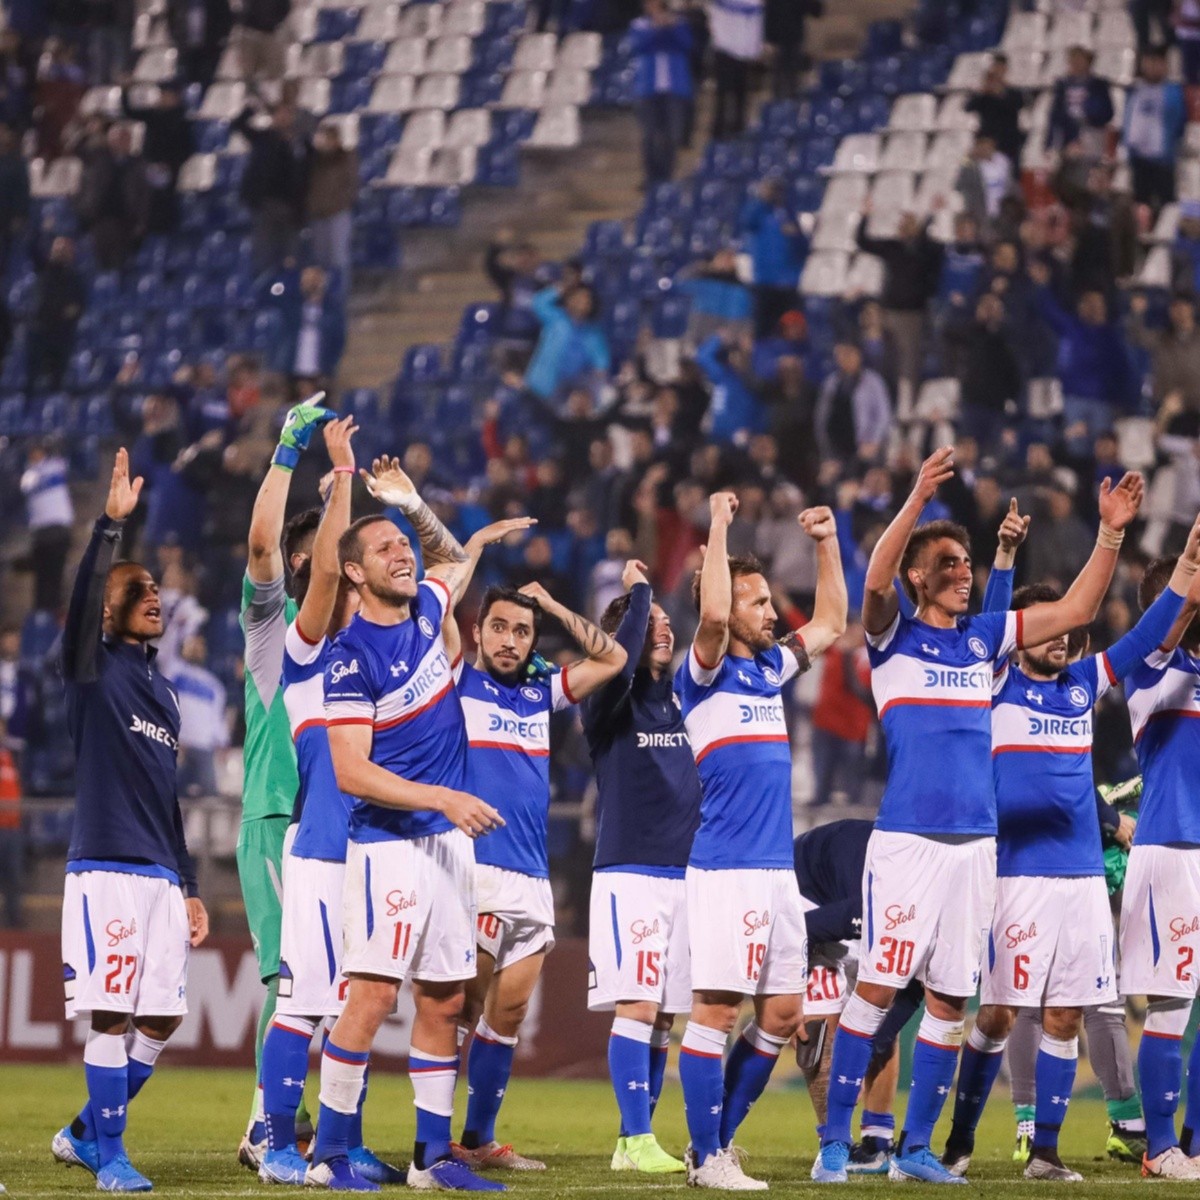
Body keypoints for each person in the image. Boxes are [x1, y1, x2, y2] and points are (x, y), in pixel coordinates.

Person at [811, 447, 1144, 1185]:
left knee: (947, 1001)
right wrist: (917, 497)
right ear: (920, 577)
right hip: (906, 846)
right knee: (874, 991)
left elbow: (1079, 611)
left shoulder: (982, 642)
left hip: (975, 852)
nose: (964, 571)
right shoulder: (891, 635)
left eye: (968, 562)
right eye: (950, 563)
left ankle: (918, 1149)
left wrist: (1111, 533)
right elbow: (872, 580)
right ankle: (835, 1141)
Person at [943, 523, 1200, 1181]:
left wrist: (1180, 579)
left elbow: (1143, 640)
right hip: (1017, 874)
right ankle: (957, 1140)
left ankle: (1046, 1154)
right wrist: (1002, 557)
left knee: (1065, 1013)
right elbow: (995, 623)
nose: (1061, 636)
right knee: (999, 1012)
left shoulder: (1083, 685)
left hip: (1083, 876)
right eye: (1046, 626)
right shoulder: (995, 681)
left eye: (1068, 628)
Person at [307, 459, 507, 1192]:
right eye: (385, 547)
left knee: (447, 998)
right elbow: (351, 771)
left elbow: (453, 558)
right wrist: (444, 798)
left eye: (403, 544)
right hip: (389, 845)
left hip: (447, 843)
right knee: (372, 996)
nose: (404, 553)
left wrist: (411, 504)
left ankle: (431, 1158)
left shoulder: (427, 610)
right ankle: (329, 1155)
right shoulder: (347, 659)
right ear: (353, 574)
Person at [675, 495, 847, 1189]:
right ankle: (707, 1155)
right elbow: (713, 614)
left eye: (770, 601)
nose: (772, 613)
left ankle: (712, 1146)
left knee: (781, 1012)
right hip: (727, 869)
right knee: (717, 1010)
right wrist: (718, 527)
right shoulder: (703, 669)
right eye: (758, 602)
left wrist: (828, 542)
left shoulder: (768, 669)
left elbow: (834, 621)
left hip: (778, 871)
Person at [49, 449, 210, 1192]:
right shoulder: (91, 668)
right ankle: (110, 1155)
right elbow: (81, 604)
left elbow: (166, 796)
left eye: (155, 587)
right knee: (110, 1014)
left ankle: (86, 1130)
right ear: (107, 611)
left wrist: (189, 881)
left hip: (157, 873)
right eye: (136, 590)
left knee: (163, 1019)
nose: (154, 595)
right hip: (106, 865)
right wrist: (110, 532)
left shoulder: (166, 694)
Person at [256, 416, 404, 1185]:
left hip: (377, 854)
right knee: (303, 1003)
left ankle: (339, 1142)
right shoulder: (304, 650)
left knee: (361, 1004)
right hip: (320, 847)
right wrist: (342, 471)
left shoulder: (381, 654)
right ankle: (280, 1140)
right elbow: (318, 577)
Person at [448, 570, 627, 1170]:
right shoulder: (456, 682)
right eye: (498, 627)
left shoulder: (539, 690)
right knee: (459, 1011)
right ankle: (431, 1143)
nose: (509, 640)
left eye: (522, 631)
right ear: (477, 633)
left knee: (509, 1015)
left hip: (531, 876)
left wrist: (550, 603)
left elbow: (613, 655)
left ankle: (478, 1140)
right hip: (474, 872)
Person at [236, 395, 334, 1168]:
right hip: (275, 815)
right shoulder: (276, 632)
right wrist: (290, 450)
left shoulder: (346, 647)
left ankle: (287, 1121)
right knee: (289, 978)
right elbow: (264, 541)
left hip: (330, 829)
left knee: (320, 987)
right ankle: (266, 1126)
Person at [581, 559, 703, 1173]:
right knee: (637, 1004)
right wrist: (640, 593)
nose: (661, 628)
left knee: (665, 1015)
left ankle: (639, 1140)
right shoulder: (608, 701)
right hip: (630, 873)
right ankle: (632, 1136)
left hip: (685, 875)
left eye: (662, 622)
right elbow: (620, 660)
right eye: (645, 623)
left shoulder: (683, 702)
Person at [1118, 548, 1200, 1177]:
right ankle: (1159, 1147)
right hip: (1171, 851)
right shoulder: (1150, 670)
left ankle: (1193, 1143)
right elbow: (1174, 623)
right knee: (1171, 1004)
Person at [792, 819, 926, 1174]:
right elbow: (800, 930)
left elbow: (911, 991)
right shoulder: (869, 908)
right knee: (819, 1032)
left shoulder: (934, 912)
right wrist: (789, 987)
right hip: (808, 896)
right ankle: (832, 1139)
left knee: (879, 1016)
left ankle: (877, 1141)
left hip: (860, 895)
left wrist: (873, 1036)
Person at [234, 100, 309, 273]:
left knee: (290, 257)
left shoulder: (301, 142)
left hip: (291, 207)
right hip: (265, 204)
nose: (283, 117)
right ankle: (264, 294)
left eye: (287, 114)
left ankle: (287, 294)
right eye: (279, 113)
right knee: (264, 254)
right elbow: (238, 125)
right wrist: (252, 107)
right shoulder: (263, 138)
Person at [629, 0, 693, 188]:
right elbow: (639, 46)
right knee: (650, 135)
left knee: (672, 135)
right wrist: (656, 28)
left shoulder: (679, 23)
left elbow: (686, 44)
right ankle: (651, 176)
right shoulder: (639, 25)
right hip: (648, 88)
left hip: (674, 89)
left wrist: (670, 27)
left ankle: (667, 176)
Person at [76, 123, 150, 270]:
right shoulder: (98, 161)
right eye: (116, 138)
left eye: (124, 138)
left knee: (119, 265)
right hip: (100, 220)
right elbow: (78, 150)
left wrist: (141, 221)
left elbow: (144, 196)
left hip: (125, 222)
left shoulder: (138, 165)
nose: (120, 142)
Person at [1122, 45, 1185, 215]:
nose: (1152, 67)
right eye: (1148, 62)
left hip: (1162, 158)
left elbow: (1178, 123)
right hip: (1138, 158)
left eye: (1157, 62)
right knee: (1140, 204)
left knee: (1166, 204)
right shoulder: (1135, 90)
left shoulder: (1173, 91)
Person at [19, 438, 74, 613]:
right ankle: (42, 616)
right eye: (34, 450)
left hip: (59, 530)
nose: (37, 454)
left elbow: (66, 453)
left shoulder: (56, 465)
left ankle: (54, 614)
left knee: (56, 577)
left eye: (39, 450)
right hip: (41, 532)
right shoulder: (28, 474)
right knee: (42, 580)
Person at [1045, 46, 1114, 160]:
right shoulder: (1062, 85)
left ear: (1088, 61)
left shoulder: (1098, 84)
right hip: (1067, 136)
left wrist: (1089, 119)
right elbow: (1055, 115)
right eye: (1072, 60)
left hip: (1092, 133)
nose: (1076, 64)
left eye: (1079, 60)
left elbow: (1107, 112)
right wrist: (1050, 142)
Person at [306, 121, 358, 273]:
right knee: (320, 259)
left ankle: (339, 294)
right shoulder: (314, 159)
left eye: (329, 138)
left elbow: (351, 186)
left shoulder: (346, 157)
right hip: (318, 215)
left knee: (338, 258)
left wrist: (339, 204)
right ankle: (322, 294)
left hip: (338, 214)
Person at [709, 0, 762, 139]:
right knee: (723, 93)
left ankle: (738, 130)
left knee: (741, 94)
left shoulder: (753, 3)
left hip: (743, 54)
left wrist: (754, 50)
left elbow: (756, 23)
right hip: (724, 51)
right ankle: (718, 132)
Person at [965, 54, 1024, 166]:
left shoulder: (1014, 92)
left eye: (1000, 68)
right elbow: (968, 107)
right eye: (995, 68)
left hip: (1008, 143)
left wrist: (1000, 94)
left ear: (1005, 70)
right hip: (987, 143)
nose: (997, 72)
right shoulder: (983, 94)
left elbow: (1018, 105)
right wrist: (982, 91)